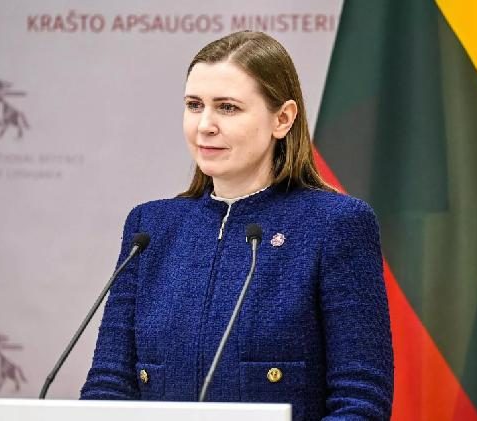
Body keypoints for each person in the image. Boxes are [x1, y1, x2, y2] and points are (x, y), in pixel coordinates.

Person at [80, 31, 394, 420]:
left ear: (282, 118)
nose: (205, 125)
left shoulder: (335, 224)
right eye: (194, 105)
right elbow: (108, 387)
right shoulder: (150, 228)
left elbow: (360, 400)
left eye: (227, 108)